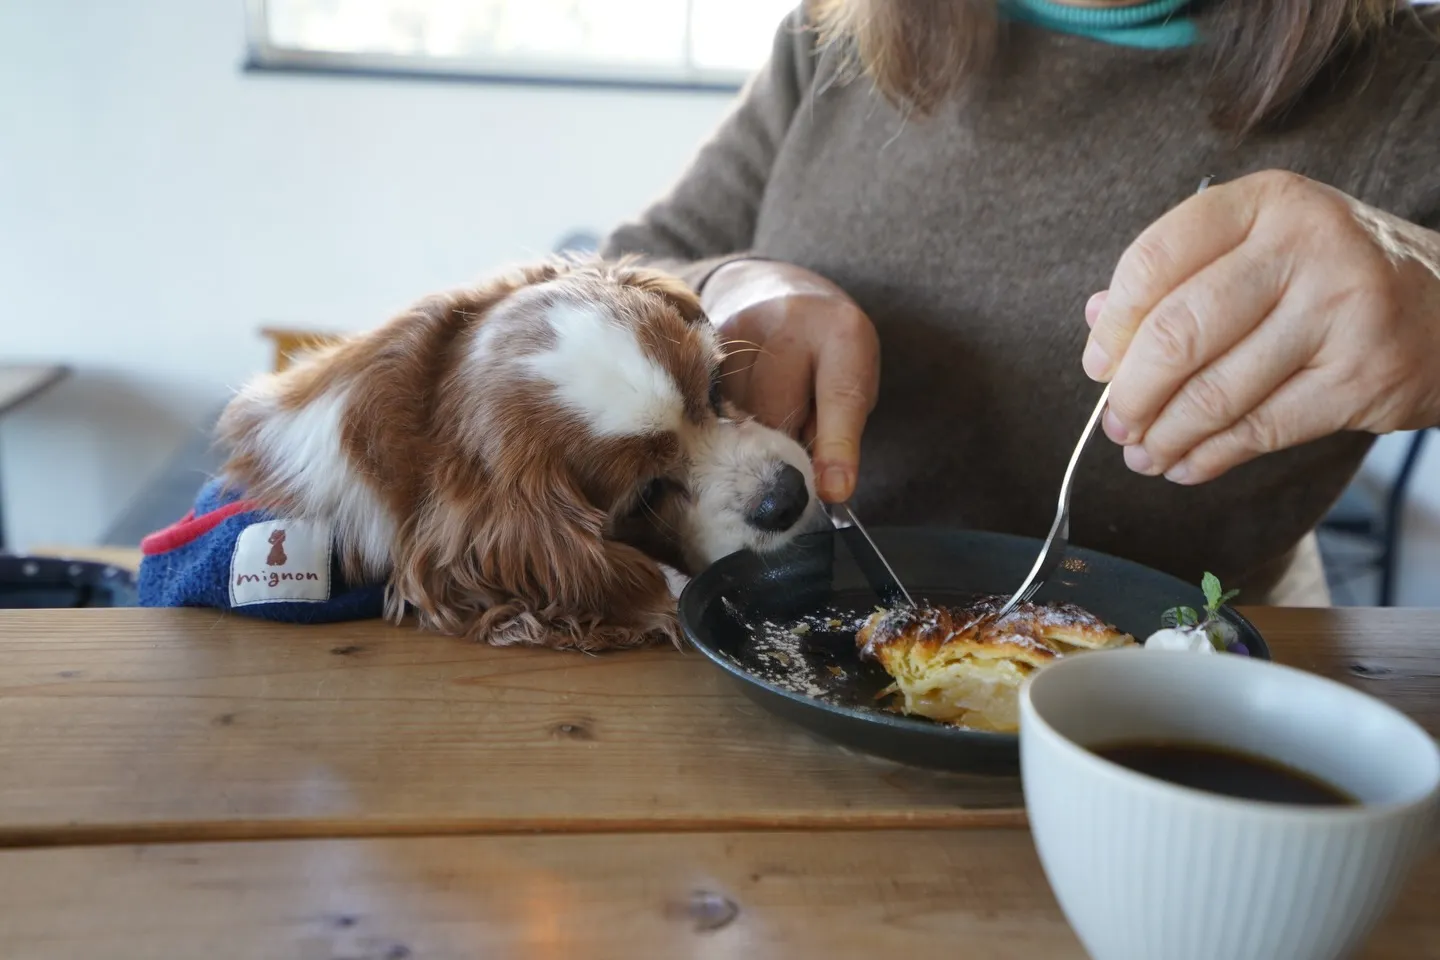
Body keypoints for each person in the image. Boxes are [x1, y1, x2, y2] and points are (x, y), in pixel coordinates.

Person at [601, 0, 1440, 605]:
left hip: (1185, 716)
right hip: (773, 667)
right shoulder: (838, 30)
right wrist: (730, 284)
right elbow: (617, 270)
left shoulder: (1409, 86)